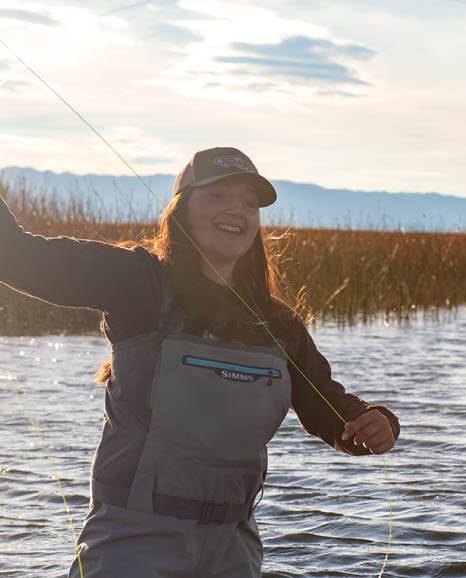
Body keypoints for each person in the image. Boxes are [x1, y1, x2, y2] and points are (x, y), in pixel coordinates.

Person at [0, 147, 400, 578]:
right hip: (132, 543)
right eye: (217, 195)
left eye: (250, 203)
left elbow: (327, 407)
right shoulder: (138, 282)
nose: (237, 211)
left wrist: (373, 422)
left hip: (235, 549)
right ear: (181, 210)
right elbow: (15, 254)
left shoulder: (278, 323)